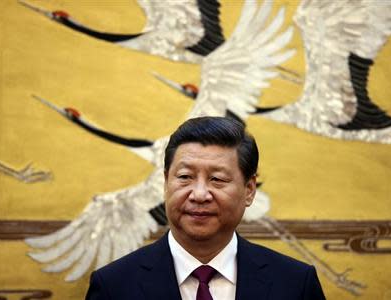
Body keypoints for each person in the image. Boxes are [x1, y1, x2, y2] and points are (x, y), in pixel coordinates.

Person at [85, 116, 326, 300]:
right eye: (185, 177)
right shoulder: (113, 286)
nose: (199, 194)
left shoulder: (295, 284)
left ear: (249, 190)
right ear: (166, 183)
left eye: (217, 179)